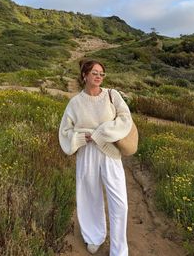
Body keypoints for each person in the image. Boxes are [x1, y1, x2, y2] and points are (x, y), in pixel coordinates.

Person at [59, 59, 132, 256]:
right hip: (87, 152)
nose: (99, 76)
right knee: (89, 197)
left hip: (110, 152)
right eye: (94, 73)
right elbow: (64, 131)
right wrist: (82, 137)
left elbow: (125, 118)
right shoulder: (75, 103)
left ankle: (119, 250)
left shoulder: (112, 95)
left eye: (101, 73)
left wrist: (100, 133)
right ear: (84, 75)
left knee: (120, 202)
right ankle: (94, 237)